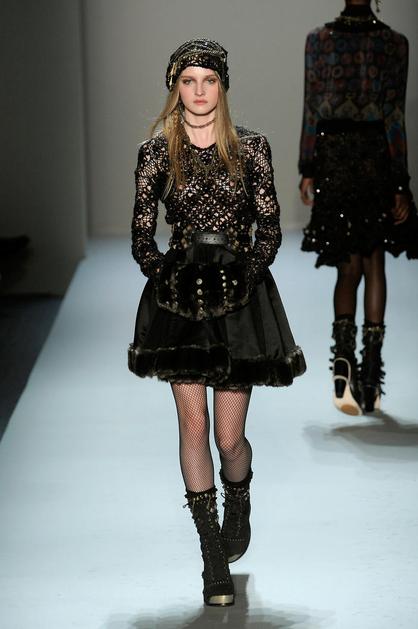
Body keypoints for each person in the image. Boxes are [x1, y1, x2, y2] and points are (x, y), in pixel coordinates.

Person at [128, 39, 306, 606]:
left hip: (237, 299)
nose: (199, 91)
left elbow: (270, 226)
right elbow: (141, 234)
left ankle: (240, 495)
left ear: (222, 85)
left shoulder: (251, 148)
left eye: (208, 80)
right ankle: (211, 557)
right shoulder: (156, 152)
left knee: (230, 439)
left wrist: (247, 274)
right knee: (192, 424)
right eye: (189, 81)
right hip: (180, 303)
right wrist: (164, 275)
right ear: (175, 87)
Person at [298, 0, 418, 415]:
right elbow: (394, 116)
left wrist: (308, 167)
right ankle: (370, 375)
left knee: (347, 266)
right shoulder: (394, 44)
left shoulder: (319, 41)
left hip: (335, 159)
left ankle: (342, 363)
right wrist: (400, 183)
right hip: (375, 158)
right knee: (374, 262)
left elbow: (311, 107)